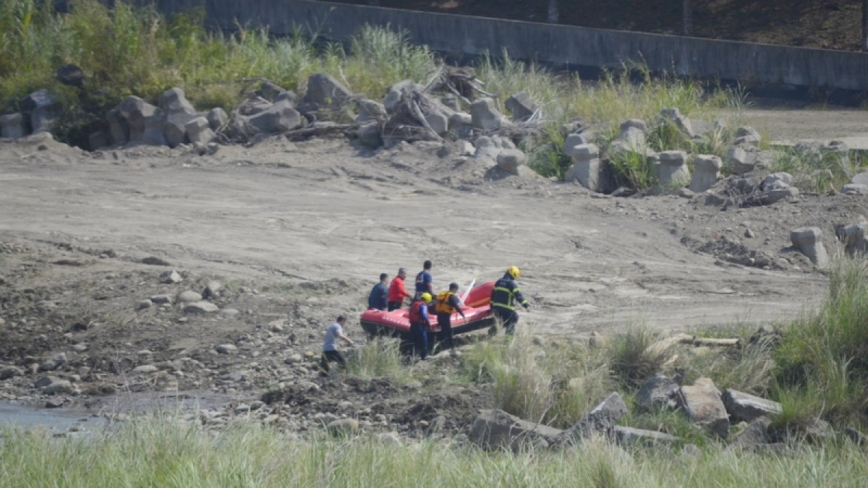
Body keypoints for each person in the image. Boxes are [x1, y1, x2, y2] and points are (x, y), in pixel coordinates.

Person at [490, 266, 529, 335]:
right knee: (514, 319)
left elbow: (492, 295)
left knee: (500, 321)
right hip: (507, 309)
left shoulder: (498, 282)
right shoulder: (511, 284)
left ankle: (493, 331)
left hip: (497, 308)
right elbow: (518, 296)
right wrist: (526, 305)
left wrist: (492, 307)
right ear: (513, 274)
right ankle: (508, 340)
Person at [435, 282, 466, 354]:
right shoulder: (451, 296)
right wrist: (462, 315)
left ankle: (440, 345)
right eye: (456, 289)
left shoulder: (443, 295)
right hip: (445, 316)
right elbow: (456, 306)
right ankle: (452, 349)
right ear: (454, 289)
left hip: (439, 316)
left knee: (444, 331)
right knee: (449, 332)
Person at [408, 292, 434, 360]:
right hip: (419, 326)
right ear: (427, 300)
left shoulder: (415, 304)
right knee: (424, 341)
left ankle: (411, 356)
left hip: (412, 325)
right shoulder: (423, 305)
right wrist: (428, 324)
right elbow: (423, 315)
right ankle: (423, 357)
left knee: (414, 341)